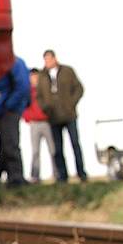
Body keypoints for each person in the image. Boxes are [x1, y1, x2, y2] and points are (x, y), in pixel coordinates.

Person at [37, 50, 87, 182]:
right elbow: (39, 97)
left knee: (75, 144)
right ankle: (62, 176)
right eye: (45, 60)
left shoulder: (67, 71)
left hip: (69, 115)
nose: (47, 62)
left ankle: (81, 173)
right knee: (57, 148)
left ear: (55, 58)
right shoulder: (42, 76)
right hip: (53, 117)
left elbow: (79, 88)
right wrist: (46, 109)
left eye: (49, 59)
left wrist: (71, 103)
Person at [0, 56, 30, 187]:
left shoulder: (14, 62)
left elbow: (22, 87)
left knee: (10, 144)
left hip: (8, 110)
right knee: (6, 145)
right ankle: (1, 179)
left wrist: (9, 105)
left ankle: (16, 179)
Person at [23, 68, 56, 183]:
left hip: (47, 122)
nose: (34, 78)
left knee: (53, 149)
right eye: (32, 76)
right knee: (35, 151)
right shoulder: (27, 91)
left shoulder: (45, 89)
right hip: (34, 123)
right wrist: (27, 118)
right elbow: (24, 106)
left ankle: (57, 173)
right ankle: (35, 176)